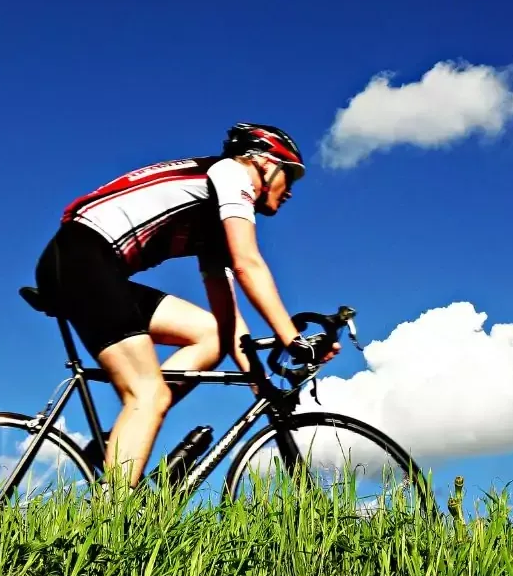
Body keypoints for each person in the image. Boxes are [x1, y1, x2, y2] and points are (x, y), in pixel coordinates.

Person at [33, 122, 339, 489]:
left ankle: (119, 438)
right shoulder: (232, 172)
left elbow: (228, 324)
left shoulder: (213, 222)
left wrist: (259, 380)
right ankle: (112, 523)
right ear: (262, 162)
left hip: (89, 264)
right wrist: (293, 340)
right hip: (80, 259)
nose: (290, 191)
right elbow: (248, 263)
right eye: (288, 176)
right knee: (148, 394)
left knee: (208, 335)